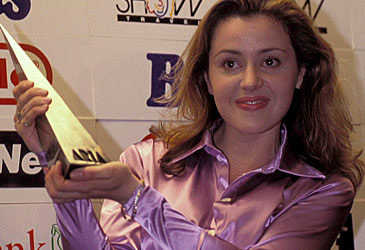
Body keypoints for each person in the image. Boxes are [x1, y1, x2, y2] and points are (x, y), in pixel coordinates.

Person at [12, 0, 364, 249]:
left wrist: (137, 199)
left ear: (301, 73)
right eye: (230, 64)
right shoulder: (146, 160)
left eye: (271, 61)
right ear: (207, 79)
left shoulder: (324, 188)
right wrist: (57, 158)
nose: (250, 81)